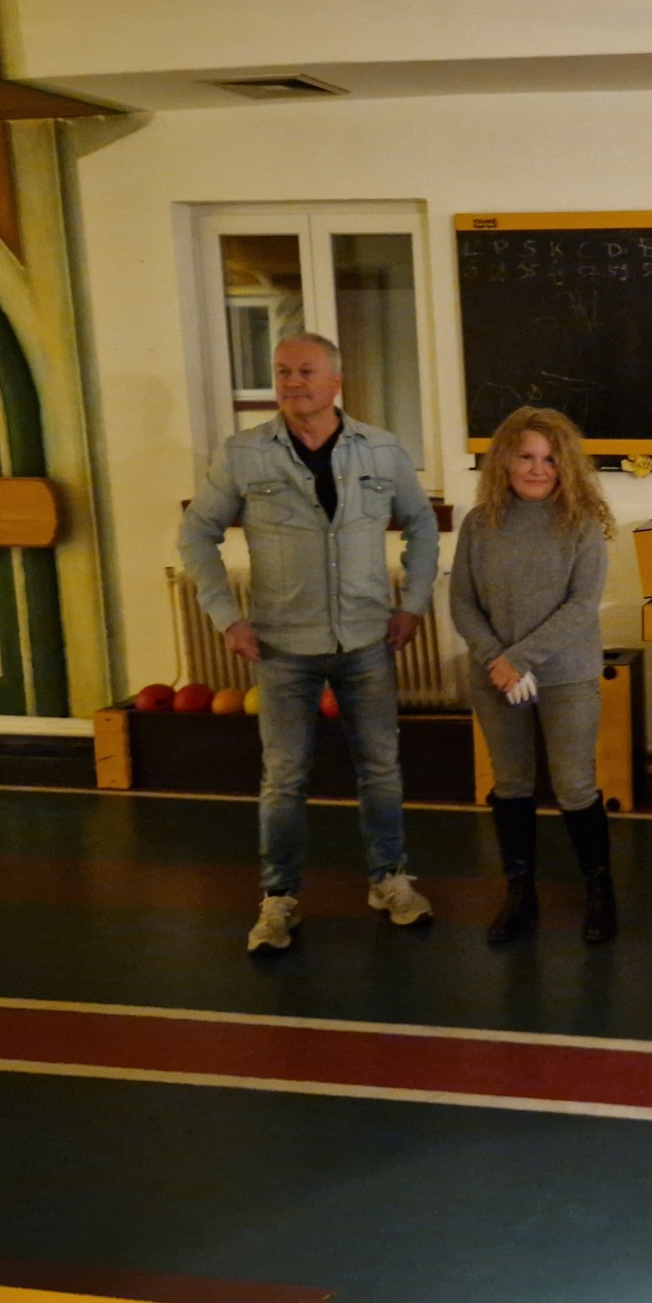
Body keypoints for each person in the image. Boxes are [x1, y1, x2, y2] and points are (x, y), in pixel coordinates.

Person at [179, 332, 439, 954]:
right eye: (283, 372)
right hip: (281, 647)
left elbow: (423, 524)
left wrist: (413, 604)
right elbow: (196, 535)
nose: (293, 382)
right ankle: (279, 899)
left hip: (367, 640)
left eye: (306, 371)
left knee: (381, 770)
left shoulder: (381, 448)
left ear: (336, 382)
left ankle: (389, 880)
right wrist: (226, 617)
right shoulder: (243, 454)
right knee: (284, 779)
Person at [450, 406, 618, 945]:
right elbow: (462, 602)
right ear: (505, 459)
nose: (537, 469)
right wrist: (496, 659)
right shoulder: (480, 524)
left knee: (574, 785)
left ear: (566, 465)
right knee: (511, 784)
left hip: (566, 676)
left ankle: (600, 893)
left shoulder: (582, 524)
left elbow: (581, 606)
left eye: (549, 459)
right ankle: (520, 894)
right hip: (495, 677)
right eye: (526, 456)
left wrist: (519, 658)